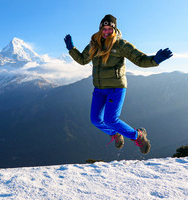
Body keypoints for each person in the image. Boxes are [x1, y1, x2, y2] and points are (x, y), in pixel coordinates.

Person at [64, 14, 173, 154]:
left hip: (116, 88)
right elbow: (82, 60)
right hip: (99, 89)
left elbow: (139, 59)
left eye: (110, 29)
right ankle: (115, 134)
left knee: (110, 119)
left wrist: (155, 60)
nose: (107, 31)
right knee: (96, 120)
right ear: (100, 28)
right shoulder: (94, 44)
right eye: (104, 28)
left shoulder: (121, 44)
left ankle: (138, 136)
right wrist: (71, 49)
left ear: (114, 30)